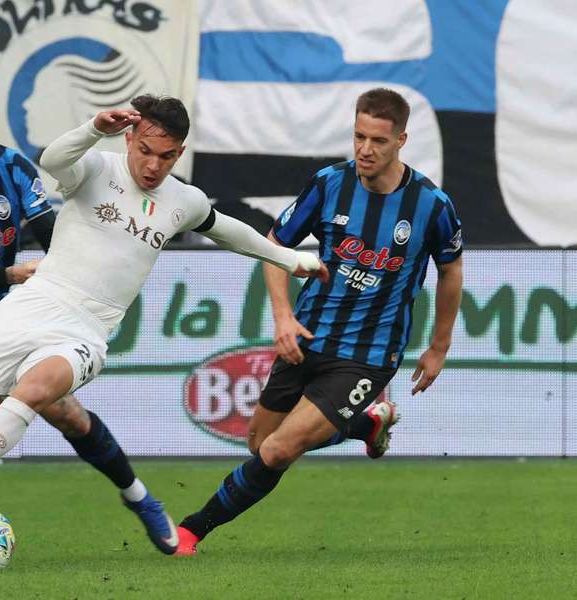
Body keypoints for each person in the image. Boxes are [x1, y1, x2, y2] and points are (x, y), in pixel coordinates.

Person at [0, 94, 328, 555]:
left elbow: (230, 231)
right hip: (26, 307)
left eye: (166, 156)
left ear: (179, 153)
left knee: (38, 391)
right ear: (130, 138)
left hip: (85, 329)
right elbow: (53, 158)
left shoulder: (185, 200)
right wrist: (93, 127)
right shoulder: (96, 167)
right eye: (145, 150)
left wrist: (290, 258)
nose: (153, 165)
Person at [0, 79, 181, 570]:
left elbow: (53, 233)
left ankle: (139, 497)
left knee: (66, 412)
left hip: (5, 314)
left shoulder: (13, 168)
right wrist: (11, 272)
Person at [173, 88, 464, 556]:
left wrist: (439, 347)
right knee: (259, 443)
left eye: (378, 141)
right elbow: (273, 247)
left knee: (278, 451)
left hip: (368, 356)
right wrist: (284, 315)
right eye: (358, 137)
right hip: (307, 338)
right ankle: (365, 426)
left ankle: (189, 531)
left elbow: (451, 271)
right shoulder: (329, 184)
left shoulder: (431, 205)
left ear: (401, 141)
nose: (366, 149)